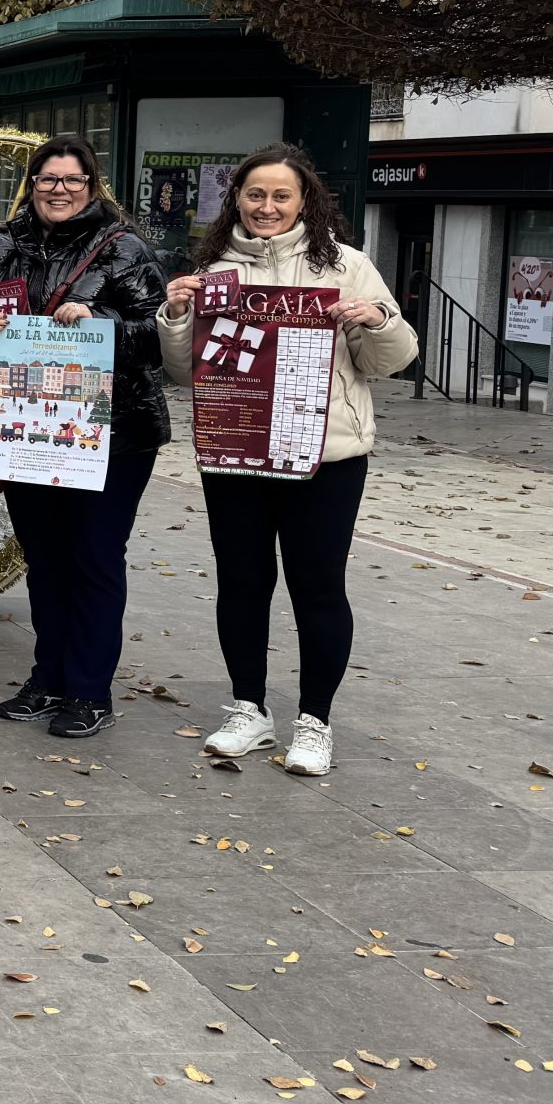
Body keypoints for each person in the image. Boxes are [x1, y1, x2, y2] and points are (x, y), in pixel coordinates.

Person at [159, 144, 415, 775]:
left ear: (306, 201)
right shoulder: (214, 271)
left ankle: (314, 721)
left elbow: (393, 359)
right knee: (241, 583)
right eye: (255, 195)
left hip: (326, 455)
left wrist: (376, 319)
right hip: (236, 452)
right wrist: (175, 315)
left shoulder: (346, 266)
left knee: (318, 586)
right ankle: (249, 708)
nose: (267, 207)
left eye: (281, 195)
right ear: (236, 200)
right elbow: (183, 372)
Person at [0, 136, 171, 739]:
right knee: (46, 561)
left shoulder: (124, 247)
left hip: (116, 433)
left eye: (72, 180)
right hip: (29, 424)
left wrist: (101, 322)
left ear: (92, 185)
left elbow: (159, 334)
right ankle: (47, 678)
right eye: (47, 180)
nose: (59, 190)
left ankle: (89, 690)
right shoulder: (3, 246)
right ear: (30, 183)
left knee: (93, 559)